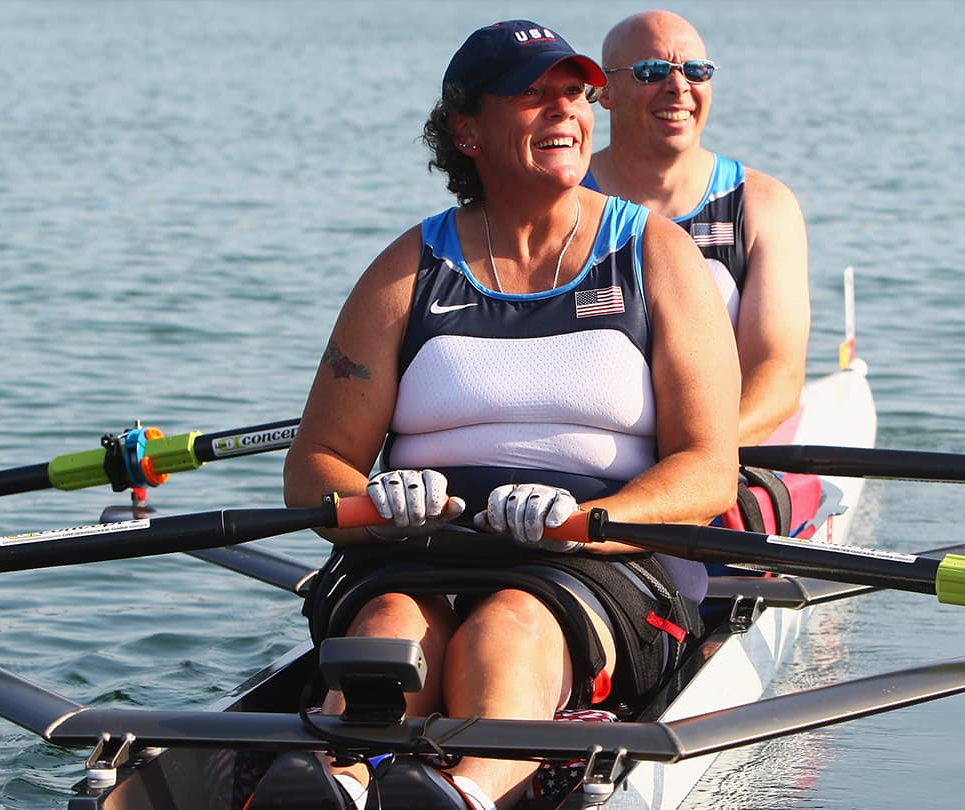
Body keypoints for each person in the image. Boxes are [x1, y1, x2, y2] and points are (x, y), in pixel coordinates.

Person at [277, 18, 741, 810]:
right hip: (418, 544)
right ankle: (340, 783)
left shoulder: (657, 255)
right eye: (533, 96)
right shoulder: (406, 271)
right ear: (466, 131)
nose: (565, 112)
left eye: (575, 94)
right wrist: (373, 508)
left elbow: (707, 467)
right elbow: (313, 467)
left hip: (598, 556)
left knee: (508, 624)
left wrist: (592, 517)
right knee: (389, 618)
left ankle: (466, 791)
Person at [587, 10, 809, 446]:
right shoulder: (559, 201)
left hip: (718, 451)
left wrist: (693, 459)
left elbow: (776, 376)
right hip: (590, 454)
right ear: (605, 92)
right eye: (651, 71)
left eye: (696, 71)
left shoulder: (764, 206)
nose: (678, 86)